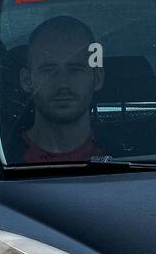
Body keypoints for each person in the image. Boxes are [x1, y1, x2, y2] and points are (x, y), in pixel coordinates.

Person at [15, 16, 109, 162]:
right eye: (49, 71)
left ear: (97, 78)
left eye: (75, 70)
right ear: (26, 80)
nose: (63, 84)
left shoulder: (132, 158)